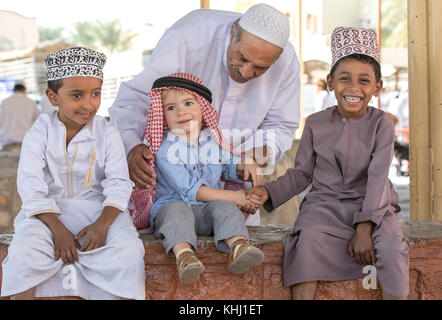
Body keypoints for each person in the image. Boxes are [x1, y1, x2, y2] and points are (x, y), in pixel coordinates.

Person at [246, 27, 409, 300]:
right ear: (331, 82)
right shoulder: (315, 123)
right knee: (307, 240)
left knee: (391, 250)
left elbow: (379, 177)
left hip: (374, 204)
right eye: (345, 78)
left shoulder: (382, 123)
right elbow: (302, 173)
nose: (354, 87)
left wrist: (365, 227)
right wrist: (268, 192)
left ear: (377, 88)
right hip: (324, 205)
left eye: (364, 81)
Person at [109, 3, 301, 227]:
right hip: (172, 197)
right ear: (233, 33)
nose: (247, 72)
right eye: (242, 58)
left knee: (235, 246)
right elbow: (137, 97)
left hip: (236, 188)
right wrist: (132, 146)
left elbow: (281, 125)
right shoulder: (190, 36)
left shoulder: (287, 60)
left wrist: (259, 153)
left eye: (260, 68)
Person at [0, 47, 145, 300]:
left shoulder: (107, 132)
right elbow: (31, 186)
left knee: (128, 252)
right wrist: (58, 229)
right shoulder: (39, 132)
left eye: (96, 94)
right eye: (76, 95)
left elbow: (119, 184)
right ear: (53, 97)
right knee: (24, 252)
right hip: (47, 214)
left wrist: (102, 226)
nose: (89, 104)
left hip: (101, 212)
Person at [143, 73, 264, 285]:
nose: (181, 111)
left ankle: (238, 246)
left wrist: (246, 165)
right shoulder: (165, 149)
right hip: (175, 207)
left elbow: (227, 165)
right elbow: (193, 190)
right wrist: (238, 197)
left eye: (188, 103)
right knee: (176, 211)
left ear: (203, 108)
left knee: (225, 207)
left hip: (207, 212)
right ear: (162, 116)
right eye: (171, 108)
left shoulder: (212, 142)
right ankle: (185, 256)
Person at [0, 83, 39, 150]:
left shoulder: (5, 102)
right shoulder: (31, 103)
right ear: (24, 90)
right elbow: (37, 122)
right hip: (26, 142)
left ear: (14, 90)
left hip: (7, 142)